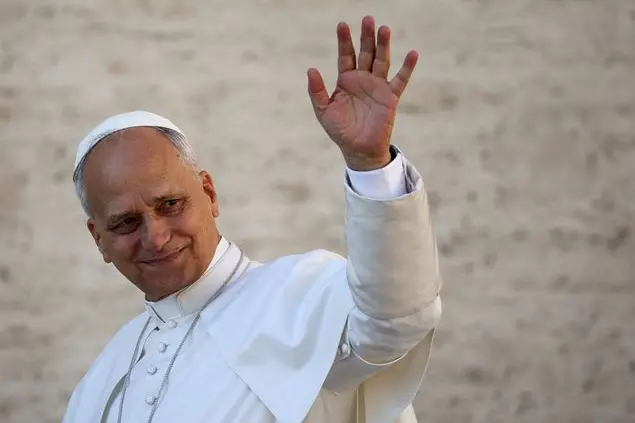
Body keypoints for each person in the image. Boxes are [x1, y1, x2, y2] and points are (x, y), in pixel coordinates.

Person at [60, 15, 443, 423]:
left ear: (209, 194)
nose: (155, 237)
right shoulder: (98, 384)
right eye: (125, 223)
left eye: (170, 204)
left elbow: (397, 318)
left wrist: (370, 165)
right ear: (98, 240)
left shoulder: (300, 297)